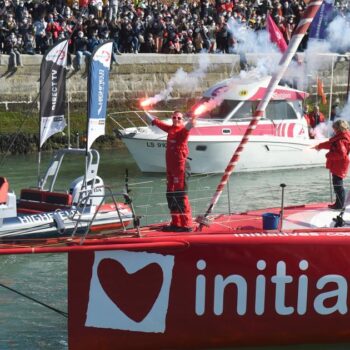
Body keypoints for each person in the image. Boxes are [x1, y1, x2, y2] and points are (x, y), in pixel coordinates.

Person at [144, 110, 196, 232]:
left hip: (181, 168)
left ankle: (187, 225)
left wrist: (191, 122)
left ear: (182, 120)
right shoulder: (171, 129)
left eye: (179, 118)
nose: (176, 119)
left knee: (180, 196)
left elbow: (187, 130)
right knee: (170, 195)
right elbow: (160, 125)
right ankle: (176, 223)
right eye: (174, 117)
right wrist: (150, 118)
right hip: (170, 169)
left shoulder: (182, 131)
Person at [314, 120, 350, 210]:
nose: (333, 130)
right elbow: (330, 144)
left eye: (334, 128)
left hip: (339, 165)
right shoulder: (340, 137)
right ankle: (338, 203)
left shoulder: (341, 139)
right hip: (339, 164)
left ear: (338, 128)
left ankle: (339, 205)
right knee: (337, 185)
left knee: (338, 185)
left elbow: (341, 154)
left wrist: (328, 155)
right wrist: (320, 146)